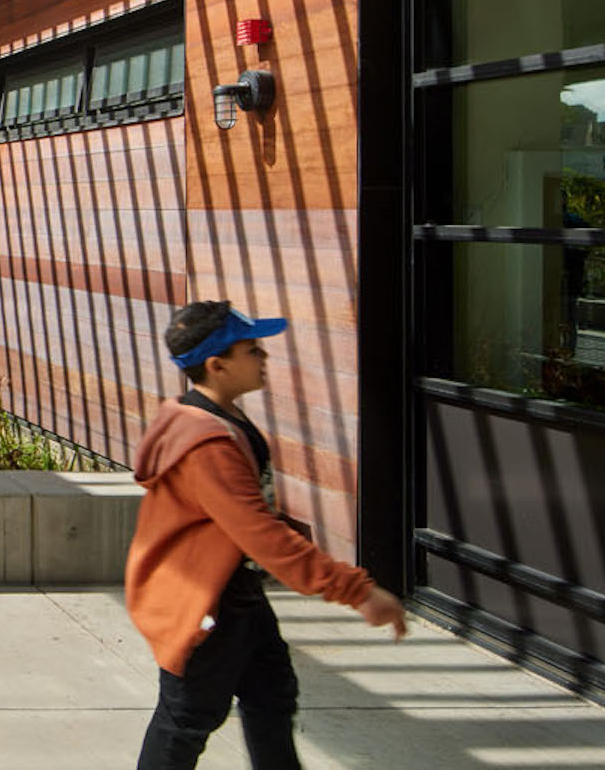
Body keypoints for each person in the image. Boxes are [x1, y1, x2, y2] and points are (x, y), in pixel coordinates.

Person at [128, 300, 406, 770]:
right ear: (218, 366)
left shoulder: (211, 419)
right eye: (252, 350)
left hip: (235, 590)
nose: (264, 358)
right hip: (206, 600)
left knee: (271, 694)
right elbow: (260, 534)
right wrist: (356, 591)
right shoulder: (208, 444)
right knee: (187, 719)